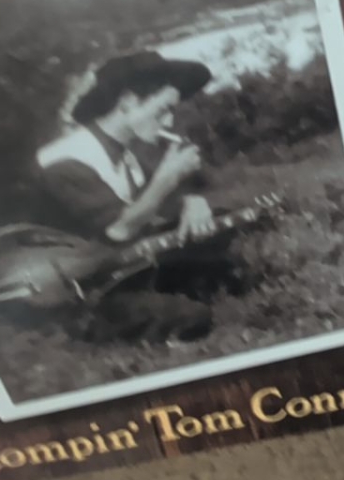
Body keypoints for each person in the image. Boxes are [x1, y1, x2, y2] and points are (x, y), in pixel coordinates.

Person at [33, 49, 249, 342]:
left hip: (120, 267)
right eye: (163, 110)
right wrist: (167, 177)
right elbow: (118, 230)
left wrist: (191, 201)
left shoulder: (126, 154)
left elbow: (156, 209)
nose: (168, 122)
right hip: (74, 289)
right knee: (193, 315)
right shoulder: (65, 161)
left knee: (227, 257)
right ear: (128, 103)